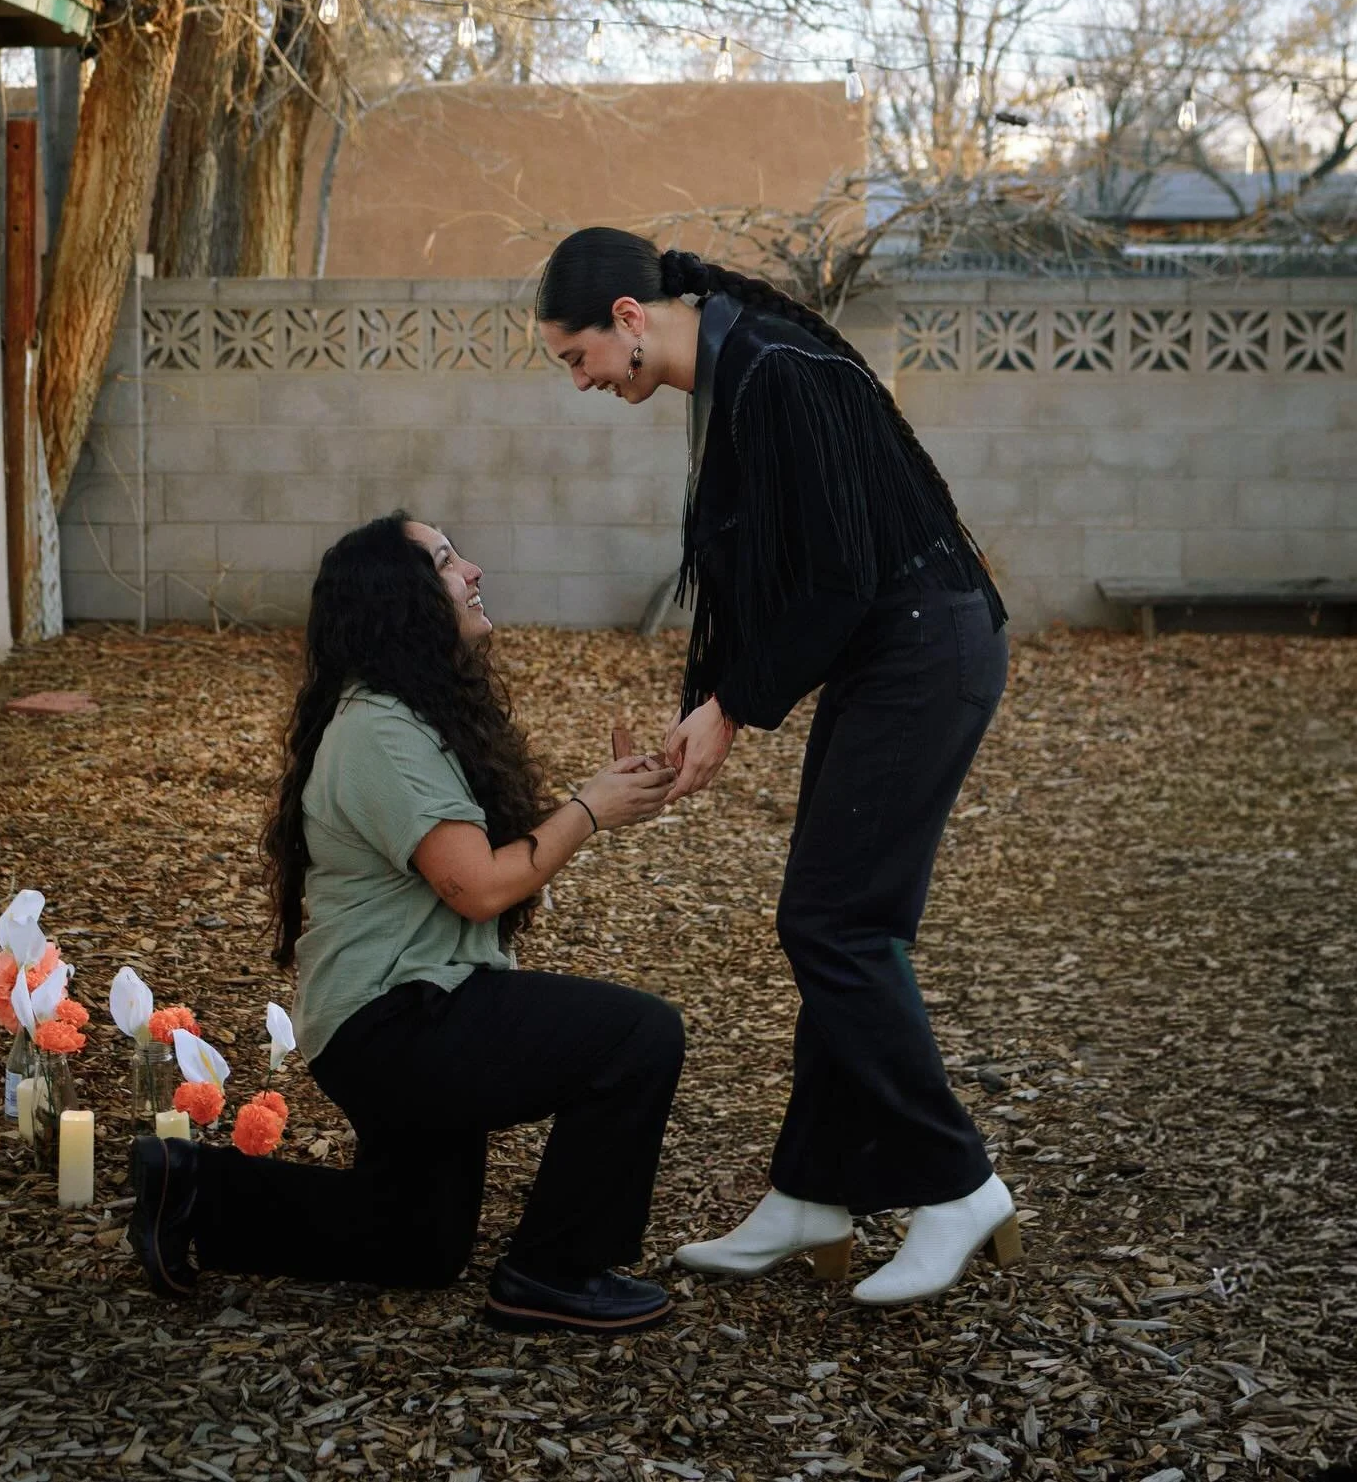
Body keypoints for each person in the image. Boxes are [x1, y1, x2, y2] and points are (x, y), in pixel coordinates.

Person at [537, 228, 1020, 1308]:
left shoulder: (774, 371)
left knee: (833, 925)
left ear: (627, 318)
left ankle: (957, 1181)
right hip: (896, 653)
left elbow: (842, 577)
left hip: (923, 649)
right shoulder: (739, 367)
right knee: (848, 919)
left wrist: (736, 713)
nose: (579, 383)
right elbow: (762, 575)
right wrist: (698, 714)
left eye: (575, 357)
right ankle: (814, 1191)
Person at [126, 512, 684, 1335]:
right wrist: (590, 810)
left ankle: (197, 1189)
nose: (475, 570)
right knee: (638, 1037)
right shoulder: (381, 729)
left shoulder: (404, 718)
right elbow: (478, 887)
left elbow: (480, 861)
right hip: (398, 1021)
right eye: (449, 562)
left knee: (416, 1240)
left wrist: (601, 793)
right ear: (401, 601)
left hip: (392, 1019)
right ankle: (554, 1272)